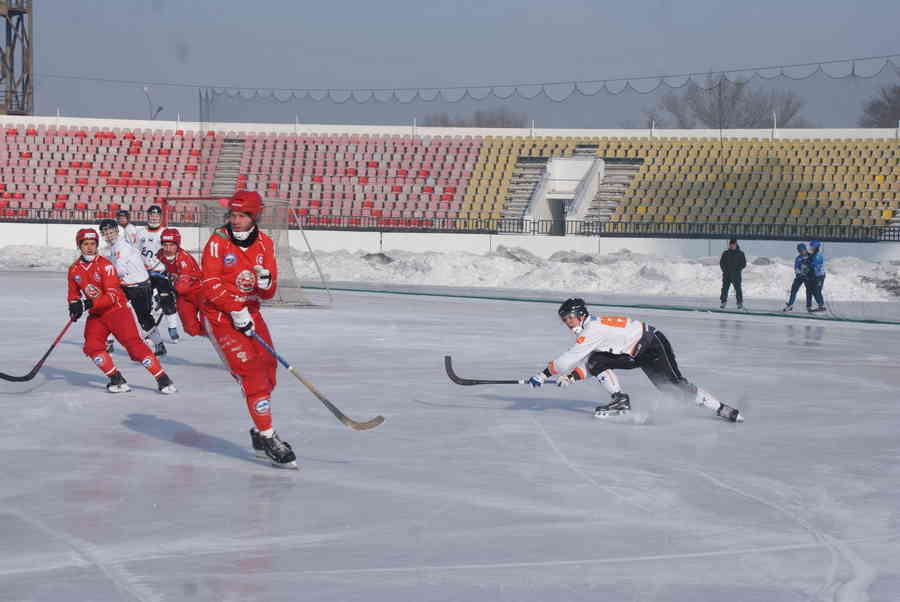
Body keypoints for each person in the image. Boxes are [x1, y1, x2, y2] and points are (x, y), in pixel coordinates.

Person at [528, 298, 743, 422]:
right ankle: (620, 399)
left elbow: (569, 358)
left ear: (581, 315)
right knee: (595, 360)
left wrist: (542, 375)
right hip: (634, 352)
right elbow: (591, 363)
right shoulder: (590, 328)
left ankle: (720, 408)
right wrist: (572, 378)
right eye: (564, 319)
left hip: (652, 345)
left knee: (674, 385)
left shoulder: (592, 330)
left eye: (569, 318)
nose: (567, 322)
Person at [200, 191, 297, 468]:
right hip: (221, 317)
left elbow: (269, 292)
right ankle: (268, 436)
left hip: (251, 314)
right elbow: (209, 282)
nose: (236, 220)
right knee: (252, 374)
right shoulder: (218, 242)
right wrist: (234, 308)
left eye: (242, 215)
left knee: (268, 370)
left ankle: (257, 428)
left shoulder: (265, 243)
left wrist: (266, 285)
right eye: (233, 214)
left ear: (255, 216)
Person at [67, 228, 176, 394]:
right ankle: (116, 379)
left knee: (134, 346)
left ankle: (162, 378)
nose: (89, 247)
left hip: (117, 311)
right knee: (92, 346)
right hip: (97, 315)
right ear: (79, 246)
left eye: (93, 244)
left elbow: (111, 295)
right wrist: (74, 306)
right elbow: (73, 294)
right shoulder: (74, 270)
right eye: (85, 244)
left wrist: (86, 304)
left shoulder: (106, 266)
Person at [98, 219, 166, 355]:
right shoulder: (114, 246)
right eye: (105, 232)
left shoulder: (121, 247)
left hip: (139, 286)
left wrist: (102, 278)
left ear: (117, 231)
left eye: (110, 231)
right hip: (126, 285)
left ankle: (159, 344)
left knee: (144, 318)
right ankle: (108, 342)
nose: (108, 234)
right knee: (109, 310)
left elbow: (119, 270)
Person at [137, 204, 181, 345]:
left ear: (160, 217)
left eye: (156, 215)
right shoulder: (140, 233)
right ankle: (150, 331)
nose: (153, 217)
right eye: (151, 215)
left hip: (162, 272)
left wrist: (174, 271)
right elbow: (135, 252)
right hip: (145, 274)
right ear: (148, 216)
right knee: (146, 305)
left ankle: (172, 328)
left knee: (167, 301)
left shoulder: (166, 232)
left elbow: (175, 253)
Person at [157, 227, 206, 337]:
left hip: (198, 293)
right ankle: (209, 336)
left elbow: (181, 286)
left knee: (209, 323)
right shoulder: (160, 255)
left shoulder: (184, 260)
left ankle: (220, 338)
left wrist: (167, 291)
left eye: (171, 245)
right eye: (165, 245)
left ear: (177, 245)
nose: (168, 248)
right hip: (183, 297)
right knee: (190, 329)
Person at [783, 243, 811, 312]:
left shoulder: (811, 257)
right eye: (799, 250)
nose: (800, 252)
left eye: (801, 250)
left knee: (809, 292)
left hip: (808, 277)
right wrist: (799, 273)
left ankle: (809, 307)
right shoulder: (798, 258)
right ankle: (790, 305)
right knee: (793, 290)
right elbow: (796, 267)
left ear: (805, 249)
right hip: (799, 277)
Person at [719, 238, 746, 310]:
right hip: (726, 275)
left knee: (738, 289)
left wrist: (737, 270)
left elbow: (743, 264)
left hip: (736, 275)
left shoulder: (740, 253)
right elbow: (721, 263)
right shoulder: (725, 253)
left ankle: (739, 303)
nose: (731, 246)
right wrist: (724, 270)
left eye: (733, 245)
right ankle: (723, 302)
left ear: (736, 245)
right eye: (730, 245)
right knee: (724, 289)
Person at [806, 240, 826, 313]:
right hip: (814, 275)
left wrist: (808, 264)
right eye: (810, 246)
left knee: (817, 290)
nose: (811, 248)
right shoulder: (813, 254)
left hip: (819, 276)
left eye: (812, 247)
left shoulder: (818, 256)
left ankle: (822, 306)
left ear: (816, 247)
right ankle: (819, 306)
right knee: (812, 290)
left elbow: (814, 265)